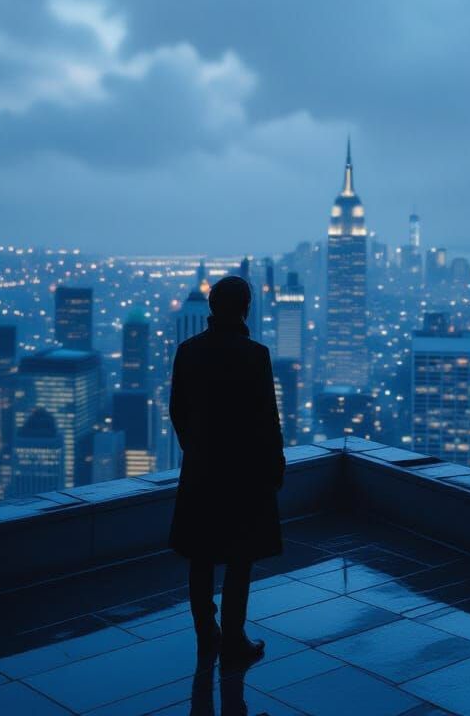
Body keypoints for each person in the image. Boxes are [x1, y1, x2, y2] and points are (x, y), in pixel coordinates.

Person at [169, 275, 285, 667]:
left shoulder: (188, 351)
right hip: (244, 472)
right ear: (245, 309)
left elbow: (177, 411)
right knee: (240, 556)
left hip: (201, 469)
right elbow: (267, 420)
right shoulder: (255, 355)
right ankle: (234, 639)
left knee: (201, 555)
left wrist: (196, 449)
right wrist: (274, 466)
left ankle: (206, 633)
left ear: (212, 307)